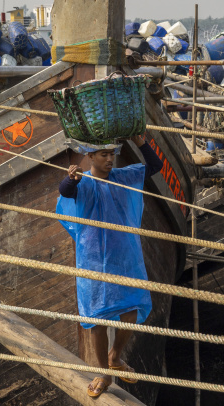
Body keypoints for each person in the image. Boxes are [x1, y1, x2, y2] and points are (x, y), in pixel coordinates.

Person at [57, 134, 163, 399]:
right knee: (97, 321)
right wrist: (71, 177)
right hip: (92, 259)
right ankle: (103, 373)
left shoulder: (123, 177)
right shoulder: (85, 183)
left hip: (124, 258)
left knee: (131, 311)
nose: (109, 159)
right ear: (90, 156)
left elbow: (153, 167)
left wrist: (140, 141)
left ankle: (115, 357)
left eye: (111, 154)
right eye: (103, 154)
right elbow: (65, 191)